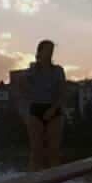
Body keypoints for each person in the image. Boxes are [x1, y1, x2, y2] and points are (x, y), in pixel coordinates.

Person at [15, 39, 67, 171]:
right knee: (36, 151)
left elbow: (62, 93)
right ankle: (32, 181)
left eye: (51, 50)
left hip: (54, 110)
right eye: (47, 50)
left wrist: (53, 109)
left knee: (54, 151)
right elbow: (19, 86)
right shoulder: (31, 71)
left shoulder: (58, 71)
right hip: (35, 109)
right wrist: (26, 102)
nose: (50, 53)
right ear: (40, 52)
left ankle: (56, 181)